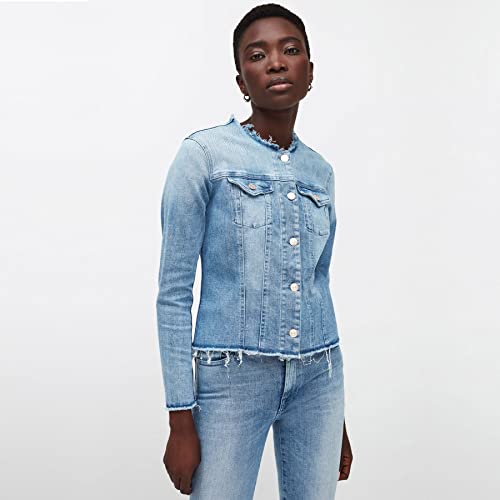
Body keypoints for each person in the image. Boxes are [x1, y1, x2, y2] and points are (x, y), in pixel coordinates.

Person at [156, 3, 353, 498]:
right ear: (242, 80)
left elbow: (318, 285)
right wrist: (180, 417)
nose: (277, 62)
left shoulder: (320, 172)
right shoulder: (203, 156)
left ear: (310, 72)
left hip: (320, 380)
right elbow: (174, 294)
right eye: (257, 55)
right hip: (230, 382)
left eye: (291, 50)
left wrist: (339, 417)